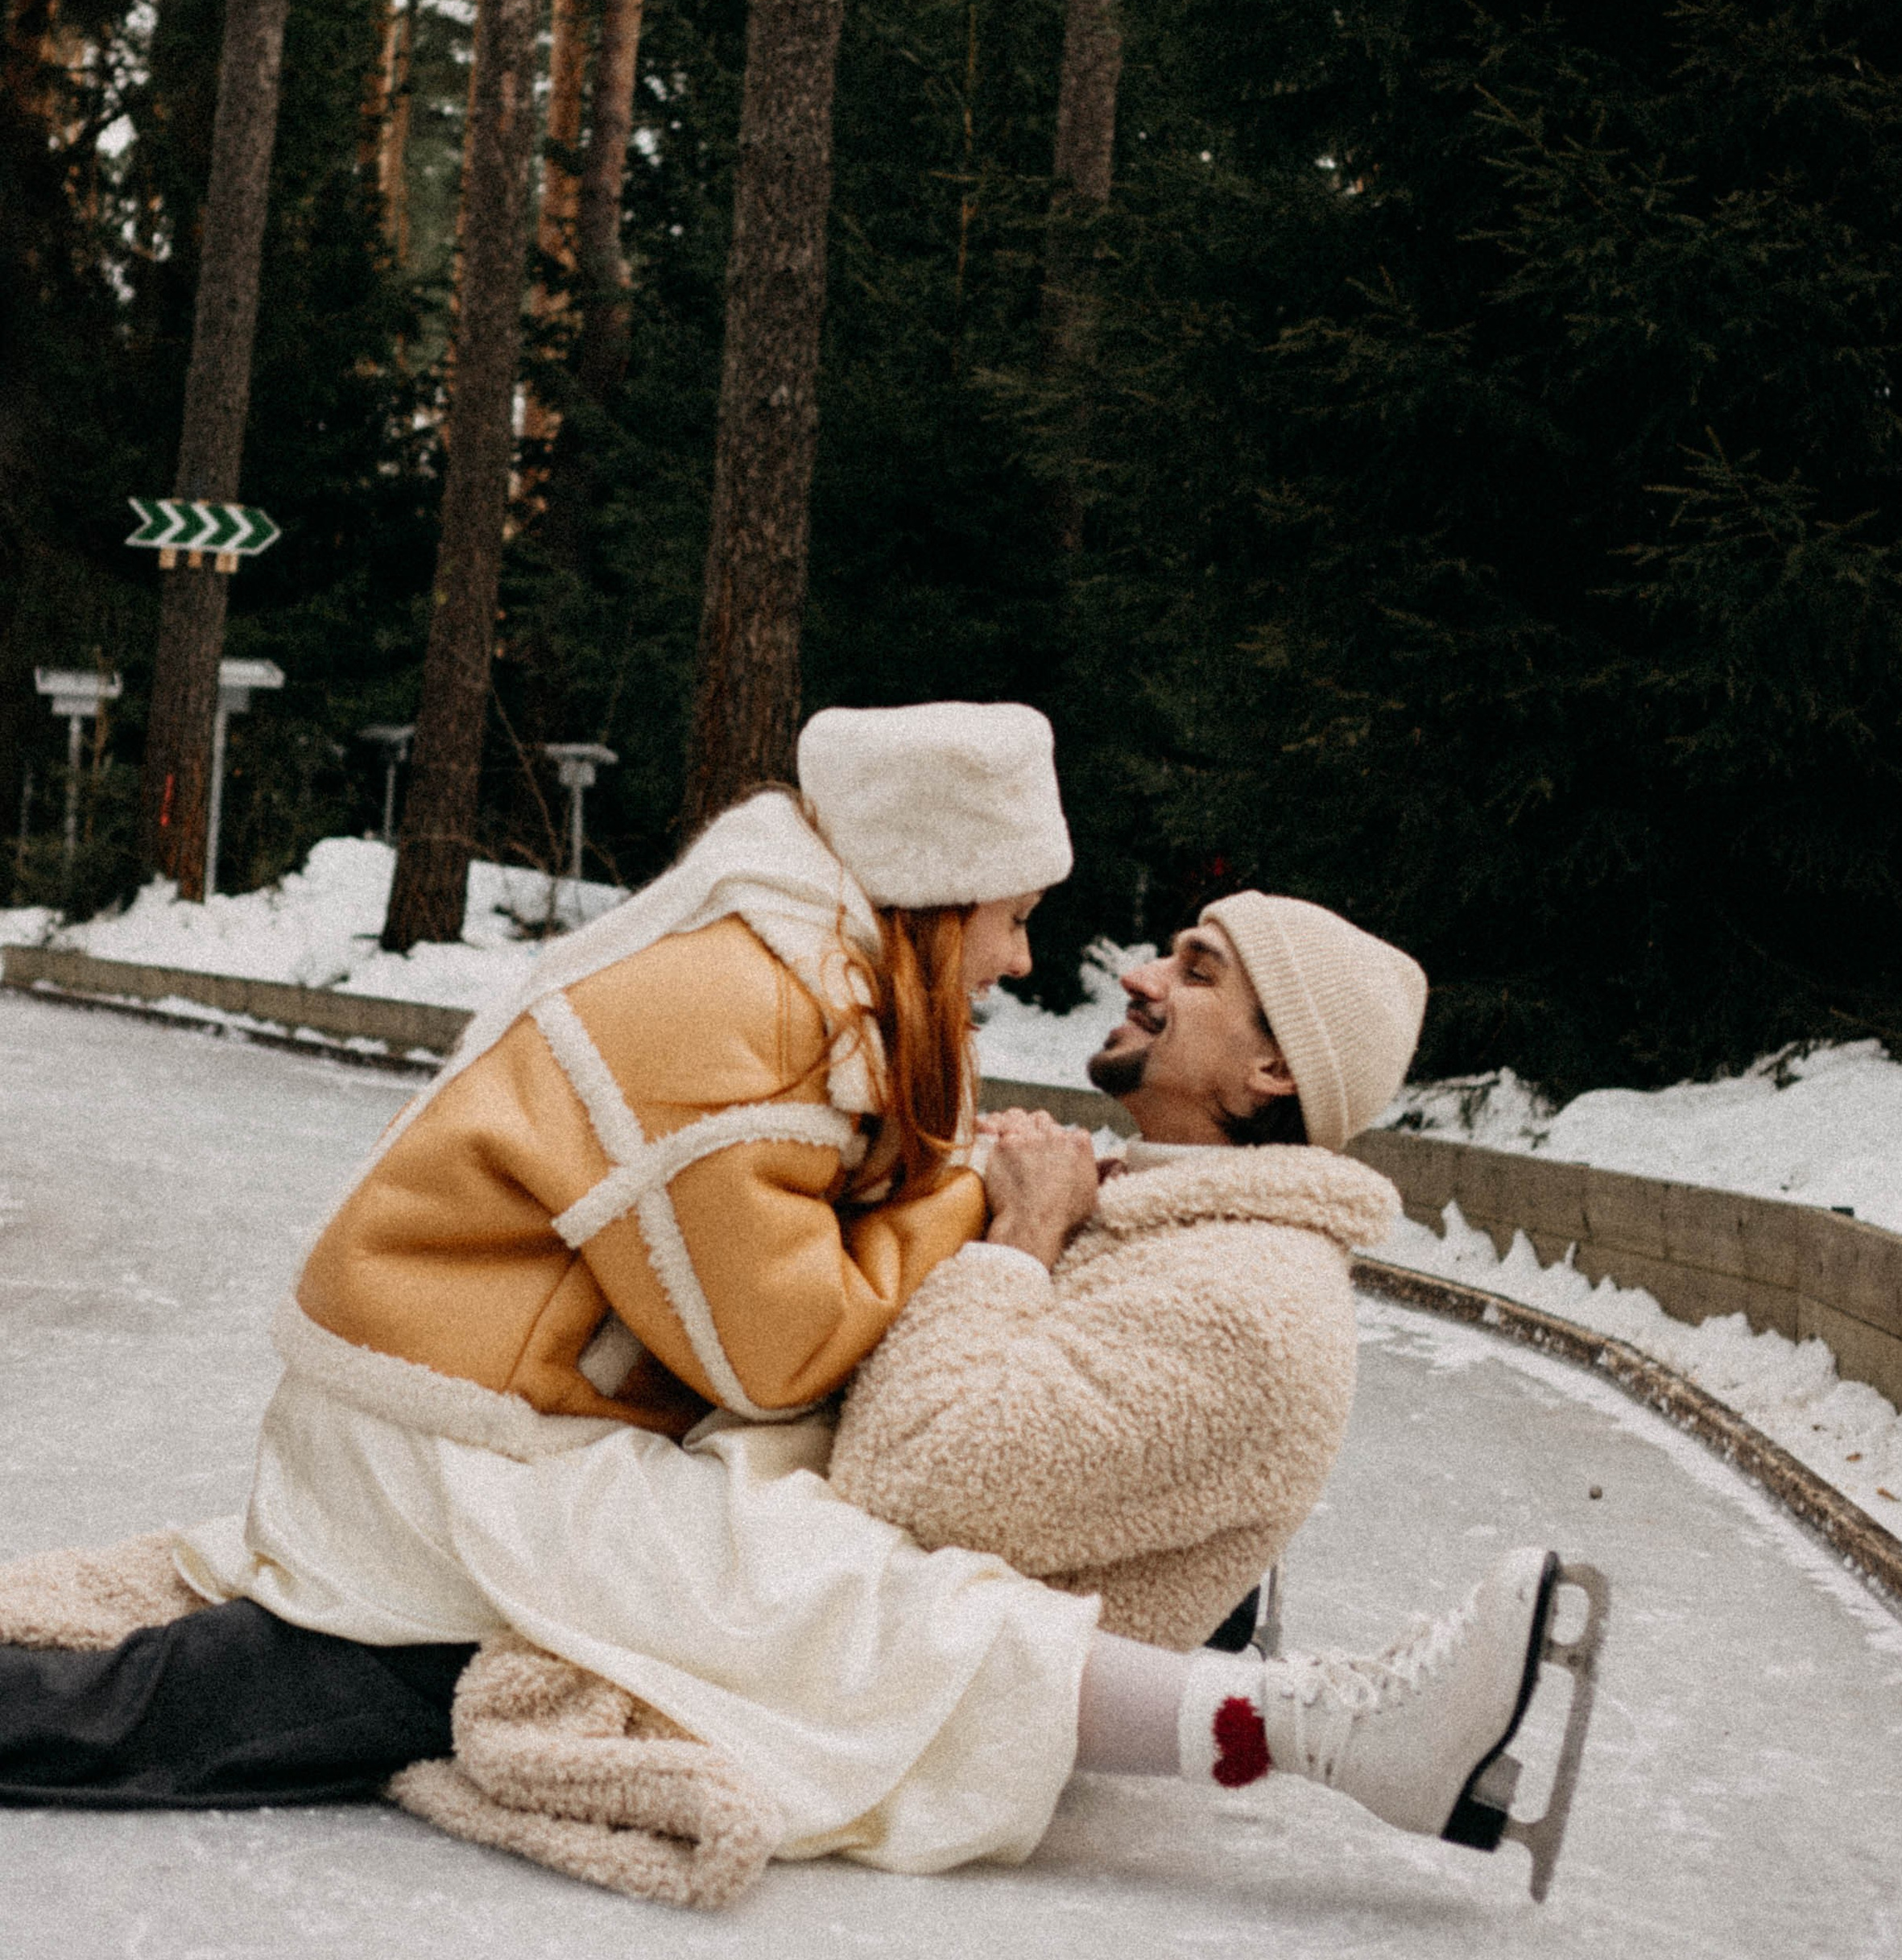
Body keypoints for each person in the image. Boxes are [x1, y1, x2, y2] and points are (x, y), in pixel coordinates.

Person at [0, 767, 1606, 1902]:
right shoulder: (1086, 1183)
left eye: (1193, 974)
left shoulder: (1251, 1304)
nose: (1110, 970)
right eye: (1139, 944)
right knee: (266, 1636)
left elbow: (929, 1473)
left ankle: (1344, 1738)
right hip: (635, 1515)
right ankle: (1341, 1736)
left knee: (280, 1675)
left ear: (1272, 1077)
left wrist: (1008, 1241)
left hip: (731, 1586)